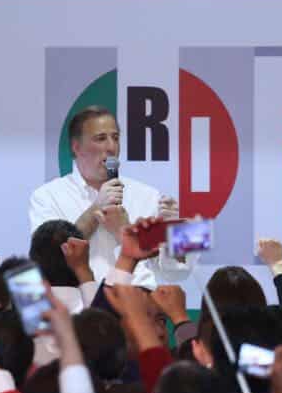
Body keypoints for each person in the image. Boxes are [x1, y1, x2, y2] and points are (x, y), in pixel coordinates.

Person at [29, 106, 176, 288]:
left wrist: (173, 234)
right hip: (78, 307)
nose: (111, 147)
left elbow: (175, 272)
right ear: (76, 147)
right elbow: (50, 261)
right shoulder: (47, 196)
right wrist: (95, 209)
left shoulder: (147, 195)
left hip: (136, 304)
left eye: (115, 138)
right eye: (100, 139)